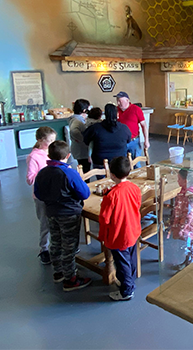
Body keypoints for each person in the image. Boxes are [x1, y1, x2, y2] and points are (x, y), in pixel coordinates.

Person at [34, 141, 92, 291]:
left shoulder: (42, 173)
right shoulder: (69, 173)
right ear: (68, 155)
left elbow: (39, 194)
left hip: (52, 213)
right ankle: (70, 278)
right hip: (69, 214)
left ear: (49, 155)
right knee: (69, 246)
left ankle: (58, 271)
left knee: (56, 241)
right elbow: (84, 193)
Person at [98, 156, 142, 301]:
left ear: (112, 174)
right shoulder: (134, 188)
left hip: (118, 235)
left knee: (122, 264)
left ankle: (126, 290)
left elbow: (104, 218)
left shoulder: (111, 195)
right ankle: (130, 281)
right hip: (133, 230)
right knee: (131, 258)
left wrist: (103, 235)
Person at [26, 126, 57, 265]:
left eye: (53, 141)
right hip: (41, 196)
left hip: (53, 193)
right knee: (45, 223)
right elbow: (30, 179)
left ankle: (56, 247)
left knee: (55, 220)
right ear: (40, 140)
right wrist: (45, 174)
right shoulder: (34, 156)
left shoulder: (50, 152)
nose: (52, 144)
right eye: (49, 141)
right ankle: (44, 249)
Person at [83, 103, 131, 171]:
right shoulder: (124, 128)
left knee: (102, 180)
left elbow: (86, 140)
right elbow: (128, 140)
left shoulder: (95, 128)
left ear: (105, 115)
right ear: (117, 114)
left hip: (100, 162)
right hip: (120, 162)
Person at [114, 92, 150, 167]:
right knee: (122, 164)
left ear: (127, 100)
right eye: (117, 100)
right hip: (121, 142)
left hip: (134, 141)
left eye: (120, 101)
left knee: (136, 163)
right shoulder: (116, 110)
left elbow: (144, 125)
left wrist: (146, 140)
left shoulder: (136, 109)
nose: (118, 103)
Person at [69, 99, 91, 172]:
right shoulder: (77, 121)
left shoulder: (76, 119)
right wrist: (84, 139)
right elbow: (74, 131)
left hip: (80, 149)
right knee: (85, 170)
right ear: (84, 110)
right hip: (81, 150)